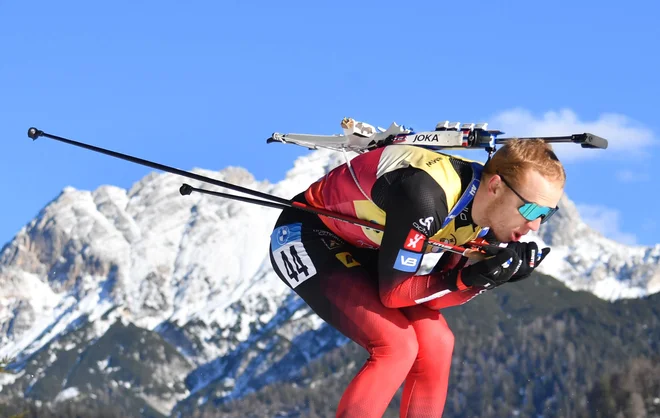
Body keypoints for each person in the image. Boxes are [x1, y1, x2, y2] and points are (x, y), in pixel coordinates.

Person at [267, 138, 565, 417]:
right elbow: (395, 293)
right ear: (496, 187)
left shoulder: (485, 218)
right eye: (530, 209)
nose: (536, 225)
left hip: (365, 246)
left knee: (437, 341)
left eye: (547, 214)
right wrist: (471, 278)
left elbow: (435, 297)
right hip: (305, 234)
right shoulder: (428, 196)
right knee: (396, 345)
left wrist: (488, 277)